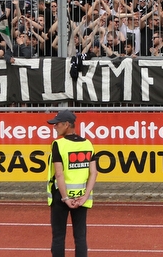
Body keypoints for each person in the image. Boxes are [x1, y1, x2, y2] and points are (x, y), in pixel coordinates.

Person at [47, 110, 97, 257]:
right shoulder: (88, 143)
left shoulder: (58, 144)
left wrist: (65, 198)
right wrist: (85, 196)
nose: (54, 127)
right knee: (80, 237)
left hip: (61, 198)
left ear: (67, 124)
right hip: (82, 197)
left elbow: (59, 174)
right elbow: (94, 172)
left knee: (58, 237)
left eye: (57, 124)